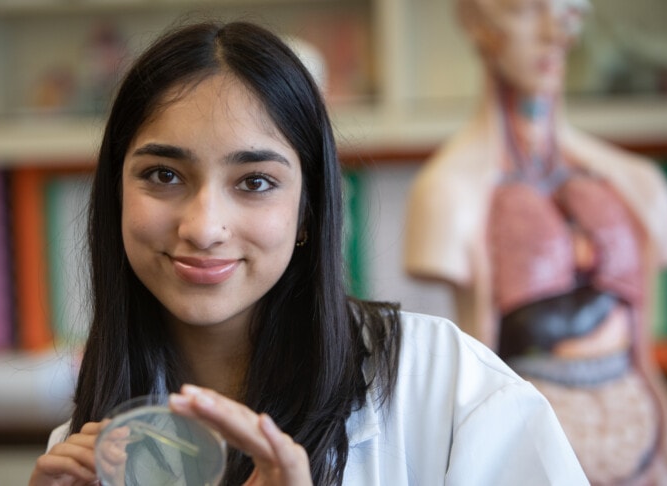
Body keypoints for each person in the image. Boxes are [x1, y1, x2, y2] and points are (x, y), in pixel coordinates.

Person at [29, 20, 587, 486]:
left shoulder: (445, 385)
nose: (203, 227)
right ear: (115, 195)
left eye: (254, 183)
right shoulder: (86, 451)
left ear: (308, 209)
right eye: (164, 174)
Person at [403, 1, 667, 484]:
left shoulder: (635, 182)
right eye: (525, 9)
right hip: (527, 458)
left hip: (646, 457)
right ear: (478, 22)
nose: (554, 32)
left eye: (567, 12)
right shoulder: (447, 192)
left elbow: (644, 360)